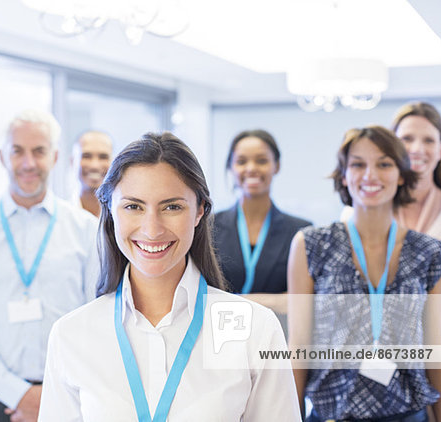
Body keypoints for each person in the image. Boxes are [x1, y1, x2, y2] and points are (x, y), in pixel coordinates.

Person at [38, 132, 301, 421]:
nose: (152, 229)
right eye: (134, 206)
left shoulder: (256, 329)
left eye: (172, 207)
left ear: (200, 210)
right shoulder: (72, 335)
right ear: (111, 211)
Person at [0, 110, 99, 422]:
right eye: (18, 151)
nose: (28, 163)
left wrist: (55, 391)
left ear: (54, 157)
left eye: (39, 151)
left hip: (68, 395)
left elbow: (96, 319)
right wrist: (19, 394)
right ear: (3, 157)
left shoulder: (86, 229)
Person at [288, 126, 441, 421]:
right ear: (344, 176)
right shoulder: (311, 244)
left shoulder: (429, 253)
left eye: (384, 164)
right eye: (358, 164)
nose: (370, 175)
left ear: (401, 174)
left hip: (407, 413)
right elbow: (298, 347)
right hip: (332, 413)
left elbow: (436, 351)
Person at [214, 129, 310, 314]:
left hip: (279, 335)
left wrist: (235, 302)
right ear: (231, 167)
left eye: (262, 160)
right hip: (219, 335)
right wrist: (276, 300)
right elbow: (198, 295)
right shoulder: (208, 228)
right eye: (241, 161)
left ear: (277, 165)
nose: (251, 168)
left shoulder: (301, 232)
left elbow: (303, 300)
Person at [392, 102, 441, 239]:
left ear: (440, 151)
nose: (417, 149)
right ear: (391, 146)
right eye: (407, 139)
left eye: (429, 140)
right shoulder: (369, 205)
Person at [70, 130, 113, 217]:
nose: (95, 166)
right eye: (86, 156)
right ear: (72, 161)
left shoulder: (123, 215)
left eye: (103, 157)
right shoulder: (60, 216)